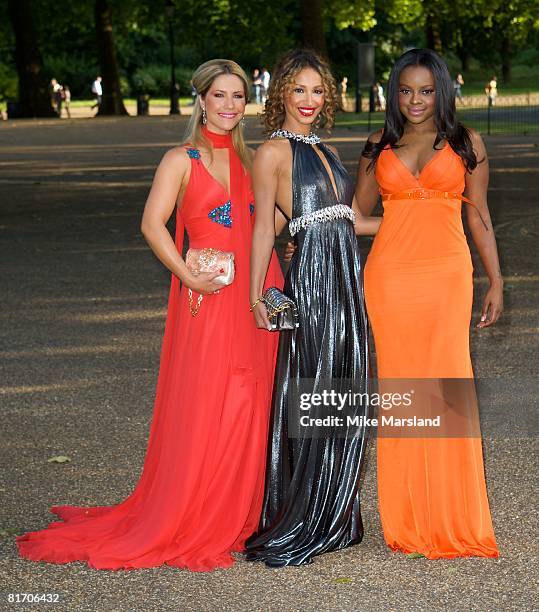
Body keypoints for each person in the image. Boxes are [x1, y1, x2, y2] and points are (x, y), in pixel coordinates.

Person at [16, 59, 285, 572]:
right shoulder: (179, 159)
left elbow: (271, 218)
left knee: (252, 401)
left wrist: (280, 248)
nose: (229, 105)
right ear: (201, 99)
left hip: (255, 289)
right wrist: (187, 273)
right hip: (206, 294)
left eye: (237, 95)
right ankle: (197, 512)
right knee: (210, 400)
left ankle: (239, 512)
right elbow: (151, 224)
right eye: (219, 95)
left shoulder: (257, 161)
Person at [357, 48, 501, 559]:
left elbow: (478, 216)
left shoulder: (466, 143)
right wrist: (307, 231)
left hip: (446, 277)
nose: (415, 100)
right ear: (393, 93)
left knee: (446, 386)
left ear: (442, 90)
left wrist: (496, 279)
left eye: (425, 90)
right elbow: (357, 217)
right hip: (391, 278)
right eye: (405, 90)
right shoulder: (379, 145)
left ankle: (453, 515)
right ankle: (408, 518)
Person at [245, 49, 380, 568]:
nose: (308, 99)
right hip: (317, 282)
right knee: (317, 385)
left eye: (316, 90)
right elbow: (265, 226)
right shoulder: (273, 152)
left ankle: (333, 511)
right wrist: (257, 294)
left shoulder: (325, 147)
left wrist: (420, 222)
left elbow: (343, 219)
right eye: (298, 89)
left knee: (347, 387)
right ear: (280, 92)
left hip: (346, 277)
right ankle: (303, 515)